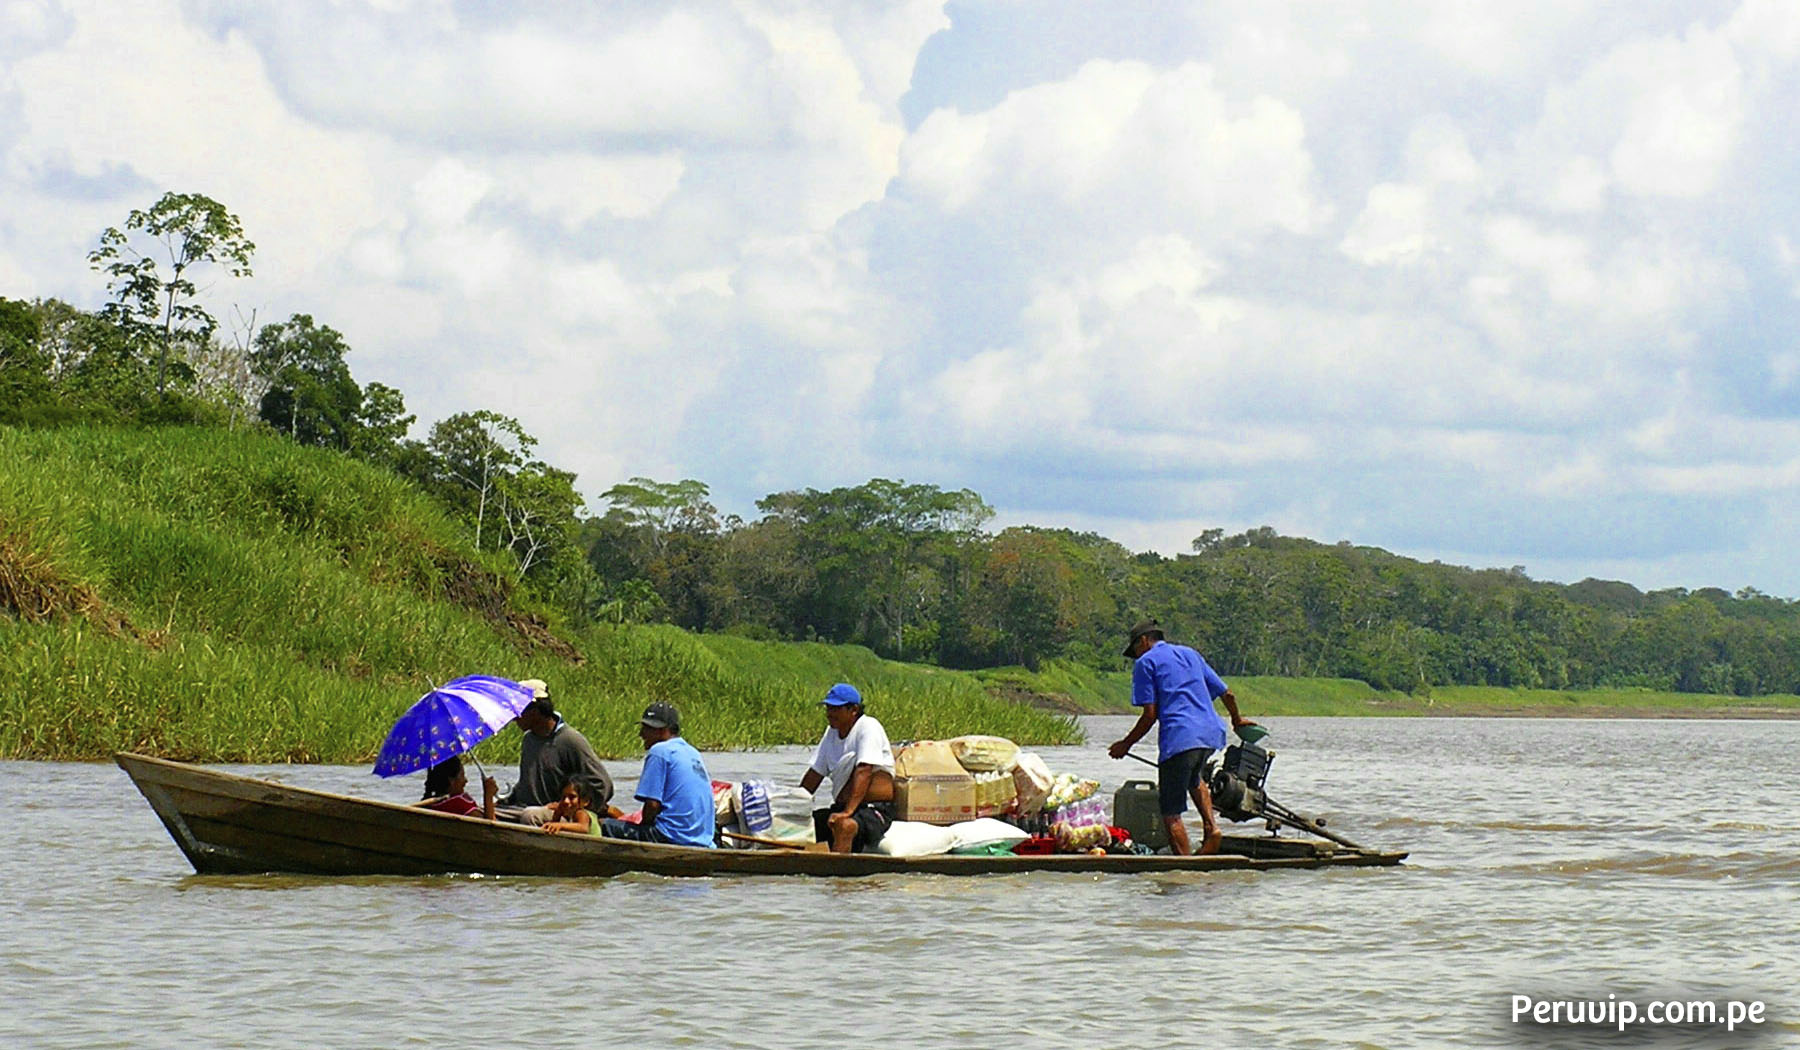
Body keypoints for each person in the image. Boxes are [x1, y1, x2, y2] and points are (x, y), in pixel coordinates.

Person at [1108, 619, 1255, 856]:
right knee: (1195, 780)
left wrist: (1125, 744)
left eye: (1135, 649)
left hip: (1180, 738)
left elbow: (1149, 715)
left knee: (1170, 811)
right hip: (1210, 734)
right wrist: (1237, 720)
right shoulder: (1190, 654)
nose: (1136, 655)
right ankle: (1212, 829)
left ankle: (1184, 864)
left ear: (1144, 641)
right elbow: (1227, 693)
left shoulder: (1146, 663)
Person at [500, 678, 614, 826]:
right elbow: (527, 784)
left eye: (519, 710)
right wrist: (504, 800)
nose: (515, 717)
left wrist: (573, 809)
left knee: (530, 816)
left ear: (535, 711)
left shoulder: (570, 739)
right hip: (524, 807)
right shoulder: (529, 740)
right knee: (479, 811)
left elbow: (603, 784)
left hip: (556, 814)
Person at [600, 703, 716, 848]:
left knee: (602, 825)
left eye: (646, 729)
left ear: (663, 731)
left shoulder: (659, 751)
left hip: (670, 836)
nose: (641, 734)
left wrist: (641, 835)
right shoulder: (692, 752)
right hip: (701, 839)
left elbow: (652, 806)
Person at [799, 683, 895, 854]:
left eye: (836, 709)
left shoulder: (868, 727)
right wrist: (793, 805)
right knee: (800, 825)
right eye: (828, 708)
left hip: (873, 810)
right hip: (842, 807)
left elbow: (864, 770)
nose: (829, 713)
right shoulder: (831, 732)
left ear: (854, 710)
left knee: (844, 826)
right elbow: (815, 774)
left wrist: (848, 812)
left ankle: (839, 877)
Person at [414, 755, 497, 820]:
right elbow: (491, 829)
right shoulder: (459, 804)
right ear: (451, 781)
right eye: (462, 775)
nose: (466, 781)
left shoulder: (429, 805)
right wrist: (488, 796)